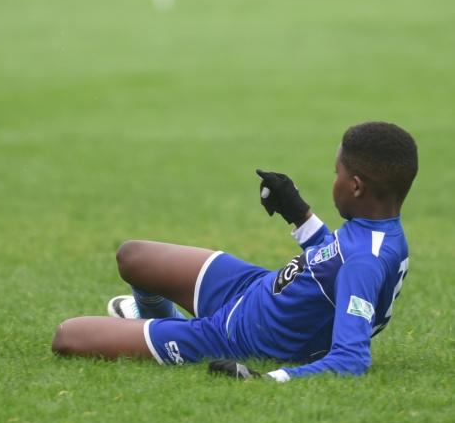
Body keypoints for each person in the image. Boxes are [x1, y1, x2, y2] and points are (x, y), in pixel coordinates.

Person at [52, 122, 418, 381]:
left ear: (356, 186)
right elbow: (330, 262)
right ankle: (157, 322)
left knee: (68, 337)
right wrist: (299, 213)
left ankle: (170, 331)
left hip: (236, 335)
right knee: (132, 256)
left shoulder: (365, 260)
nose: (333, 180)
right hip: (250, 287)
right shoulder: (378, 232)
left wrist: (267, 379)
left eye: (336, 173)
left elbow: (350, 359)